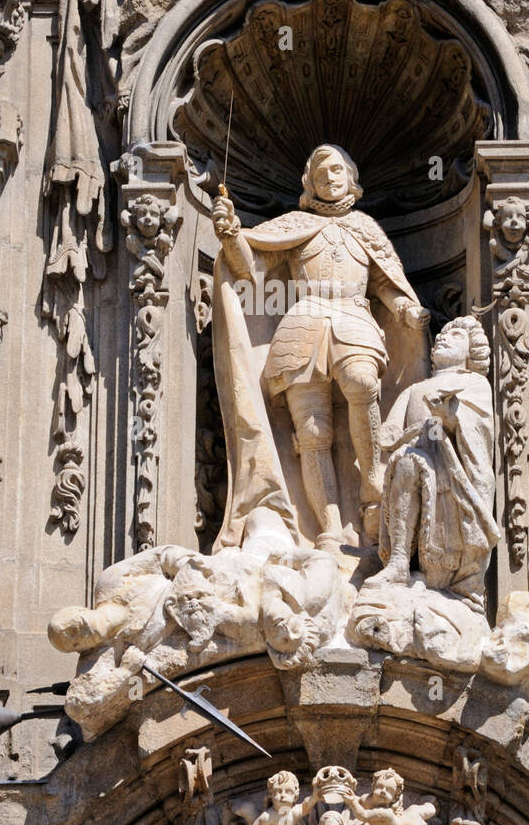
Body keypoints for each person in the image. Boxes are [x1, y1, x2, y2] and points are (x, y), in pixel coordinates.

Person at [212, 144, 429, 549]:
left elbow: (385, 283)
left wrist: (404, 311)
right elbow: (251, 267)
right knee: (312, 432)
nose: (330, 177)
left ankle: (372, 488)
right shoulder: (294, 224)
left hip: (353, 317)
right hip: (304, 323)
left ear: (351, 176)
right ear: (308, 184)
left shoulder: (366, 229)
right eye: (321, 172)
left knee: (363, 383)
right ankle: (328, 527)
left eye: (337, 170)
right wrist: (231, 235)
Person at [376, 315, 500, 595]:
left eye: (456, 336)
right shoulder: (414, 389)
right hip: (414, 464)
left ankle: (437, 572)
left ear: (472, 353)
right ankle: (399, 561)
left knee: (409, 462)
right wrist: (389, 433)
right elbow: (392, 428)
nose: (443, 338)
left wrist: (449, 417)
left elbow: (479, 433)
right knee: (406, 463)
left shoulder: (475, 384)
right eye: (441, 335)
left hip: (453, 474)